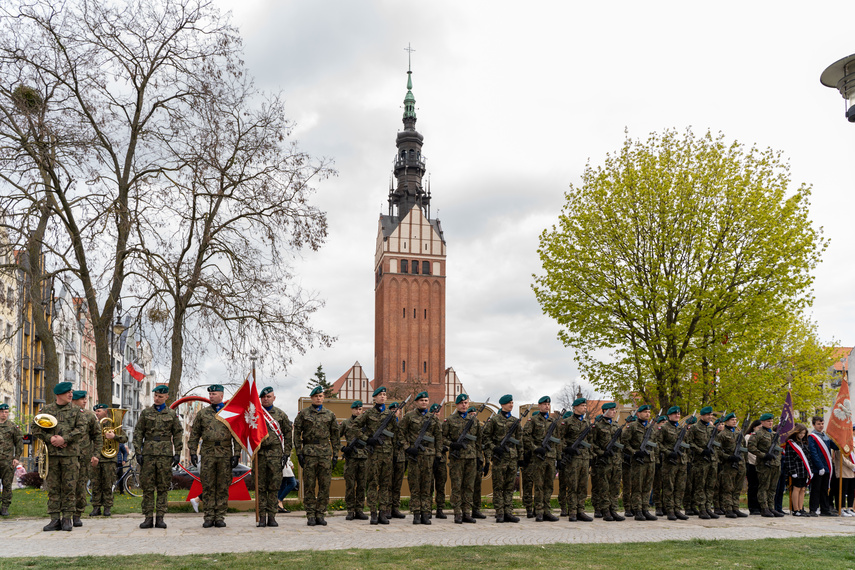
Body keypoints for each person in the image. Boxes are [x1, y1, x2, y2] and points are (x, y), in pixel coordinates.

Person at [32, 382, 86, 531]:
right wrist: (50, 439)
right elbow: (35, 429)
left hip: (70, 456)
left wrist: (64, 439)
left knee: (70, 487)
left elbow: (81, 430)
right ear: (58, 394)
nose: (71, 395)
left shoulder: (76, 411)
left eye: (71, 392)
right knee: (54, 487)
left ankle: (67, 518)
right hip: (51, 456)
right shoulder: (47, 410)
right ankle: (55, 519)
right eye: (67, 392)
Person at [188, 384, 239, 528]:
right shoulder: (203, 414)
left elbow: (236, 434)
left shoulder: (230, 413)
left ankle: (220, 516)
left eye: (214, 394)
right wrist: (193, 451)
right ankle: (209, 516)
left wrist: (236, 454)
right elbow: (194, 434)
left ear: (222, 395)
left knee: (222, 485)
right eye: (210, 394)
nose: (211, 396)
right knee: (208, 485)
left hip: (225, 452)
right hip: (208, 452)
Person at [134, 385, 183, 529]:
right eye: (155, 396)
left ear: (166, 397)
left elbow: (178, 433)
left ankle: (160, 517)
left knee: (162, 486)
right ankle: (148, 517)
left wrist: (178, 453)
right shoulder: (146, 413)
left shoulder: (172, 414)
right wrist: (138, 452)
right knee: (148, 487)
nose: (157, 398)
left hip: (165, 454)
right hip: (148, 454)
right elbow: (138, 433)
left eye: (160, 396)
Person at [293, 385, 339, 526]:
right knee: (309, 485)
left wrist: (336, 454)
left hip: (325, 453)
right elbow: (296, 434)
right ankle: (310, 515)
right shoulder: (303, 414)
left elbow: (335, 436)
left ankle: (321, 514)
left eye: (321, 396)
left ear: (323, 398)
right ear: (312, 398)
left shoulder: (330, 414)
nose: (319, 398)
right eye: (316, 396)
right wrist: (299, 453)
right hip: (309, 453)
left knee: (325, 485)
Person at [353, 386, 396, 525]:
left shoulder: (390, 415)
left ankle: (383, 512)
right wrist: (367, 439)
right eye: (380, 395)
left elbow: (397, 433)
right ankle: (373, 513)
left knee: (385, 484)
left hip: (387, 454)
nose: (383, 397)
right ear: (375, 398)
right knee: (372, 483)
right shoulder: (368, 413)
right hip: (373, 454)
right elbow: (355, 427)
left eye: (384, 394)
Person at [400, 391, 442, 525]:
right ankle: (416, 514)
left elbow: (438, 439)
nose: (424, 402)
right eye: (421, 400)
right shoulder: (409, 416)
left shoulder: (433, 418)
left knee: (427, 486)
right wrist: (407, 448)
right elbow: (400, 433)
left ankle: (425, 513)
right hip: (414, 456)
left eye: (426, 400)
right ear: (416, 402)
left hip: (429, 457)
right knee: (415, 486)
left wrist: (438, 456)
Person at [255, 386, 292, 528]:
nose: (266, 399)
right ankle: (262, 517)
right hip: (260, 454)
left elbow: (288, 434)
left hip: (276, 455)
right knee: (260, 487)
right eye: (263, 397)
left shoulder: (281, 415)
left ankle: (272, 516)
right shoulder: (256, 413)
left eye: (268, 396)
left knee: (274, 487)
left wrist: (286, 453)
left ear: (274, 398)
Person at [482, 394, 522, 523]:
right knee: (498, 487)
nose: (511, 404)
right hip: (500, 458)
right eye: (509, 403)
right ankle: (499, 513)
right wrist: (494, 448)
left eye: (512, 402)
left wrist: (520, 457)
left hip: (512, 458)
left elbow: (519, 440)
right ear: (502, 405)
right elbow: (486, 437)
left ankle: (508, 512)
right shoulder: (494, 420)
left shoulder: (515, 421)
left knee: (510, 487)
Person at [443, 393, 481, 524]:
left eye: (466, 403)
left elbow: (478, 441)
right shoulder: (450, 420)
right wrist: (452, 444)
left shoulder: (474, 421)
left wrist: (479, 457)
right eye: (461, 403)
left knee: (469, 486)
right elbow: (442, 438)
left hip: (471, 457)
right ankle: (457, 513)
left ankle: (466, 512)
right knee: (457, 486)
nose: (464, 405)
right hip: (457, 458)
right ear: (457, 405)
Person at [523, 396, 560, 522]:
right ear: (539, 406)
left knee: (549, 486)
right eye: (544, 404)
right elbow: (526, 437)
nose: (547, 406)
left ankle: (547, 511)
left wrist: (558, 457)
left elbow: (557, 441)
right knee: (539, 485)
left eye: (548, 404)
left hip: (550, 457)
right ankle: (538, 511)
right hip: (539, 458)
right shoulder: (533, 420)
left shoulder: (552, 421)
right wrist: (535, 448)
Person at [621, 404, 658, 521]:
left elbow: (656, 444)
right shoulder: (632, 426)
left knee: (647, 487)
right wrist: (634, 452)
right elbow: (624, 443)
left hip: (650, 461)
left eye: (649, 412)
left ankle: (645, 509)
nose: (647, 414)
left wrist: (654, 457)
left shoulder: (652, 428)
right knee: (637, 487)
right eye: (645, 412)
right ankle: (637, 510)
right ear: (638, 414)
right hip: (638, 461)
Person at [90, 404, 128, 517]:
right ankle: (96, 507)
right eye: (96, 411)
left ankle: (107, 507)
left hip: (109, 459)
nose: (97, 413)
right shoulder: (93, 425)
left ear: (106, 412)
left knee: (108, 484)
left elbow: (125, 438)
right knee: (95, 484)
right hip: (96, 458)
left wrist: (114, 437)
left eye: (99, 411)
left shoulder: (113, 425)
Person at [70, 391, 101, 527]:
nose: (84, 401)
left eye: (85, 399)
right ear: (74, 400)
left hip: (83, 457)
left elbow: (97, 437)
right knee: (66, 486)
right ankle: (64, 513)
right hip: (67, 455)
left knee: (80, 485)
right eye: (81, 399)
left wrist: (96, 455)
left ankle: (77, 514)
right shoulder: (66, 414)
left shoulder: (89, 416)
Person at [589, 402, 624, 522]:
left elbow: (620, 443)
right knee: (604, 487)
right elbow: (592, 444)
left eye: (614, 410)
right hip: (604, 461)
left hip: (616, 461)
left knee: (615, 487)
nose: (614, 412)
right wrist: (602, 452)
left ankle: (613, 509)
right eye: (611, 410)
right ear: (604, 411)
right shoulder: (597, 426)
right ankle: (605, 510)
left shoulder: (615, 425)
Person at [560, 397, 593, 522]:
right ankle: (572, 511)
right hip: (572, 459)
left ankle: (581, 510)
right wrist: (567, 449)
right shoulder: (567, 422)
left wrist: (590, 456)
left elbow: (590, 441)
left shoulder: (587, 423)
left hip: (584, 458)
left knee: (583, 486)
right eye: (582, 406)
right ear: (575, 407)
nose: (585, 408)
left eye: (585, 406)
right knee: (573, 486)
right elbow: (560, 439)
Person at [747, 412, 783, 518]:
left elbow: (778, 450)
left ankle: (771, 508)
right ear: (762, 422)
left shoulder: (774, 434)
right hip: (764, 464)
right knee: (764, 487)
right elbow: (751, 447)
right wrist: (763, 455)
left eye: (771, 421)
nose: (770, 423)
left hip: (775, 464)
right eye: (768, 421)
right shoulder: (758, 434)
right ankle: (764, 508)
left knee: (773, 487)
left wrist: (777, 460)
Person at [686, 406, 719, 519]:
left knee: (710, 486)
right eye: (708, 415)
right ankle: (702, 509)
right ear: (702, 416)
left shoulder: (711, 428)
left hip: (712, 461)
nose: (710, 417)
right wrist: (701, 451)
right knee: (700, 486)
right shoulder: (694, 428)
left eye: (711, 415)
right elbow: (689, 443)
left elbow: (717, 443)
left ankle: (708, 507)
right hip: (700, 462)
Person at [658, 406, 689, 521]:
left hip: (681, 461)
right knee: (669, 487)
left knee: (680, 487)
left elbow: (687, 443)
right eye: (675, 414)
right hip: (670, 462)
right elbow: (658, 444)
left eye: (679, 414)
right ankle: (669, 510)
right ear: (669, 415)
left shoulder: (681, 429)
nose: (677, 415)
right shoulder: (664, 428)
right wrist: (668, 452)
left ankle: (677, 509)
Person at [340, 399, 368, 520]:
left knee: (362, 485)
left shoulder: (367, 425)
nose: (358, 411)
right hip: (351, 458)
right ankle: (350, 510)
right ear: (352, 409)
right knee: (350, 485)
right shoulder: (346, 423)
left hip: (364, 457)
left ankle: (360, 510)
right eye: (356, 409)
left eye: (360, 409)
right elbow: (335, 437)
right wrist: (342, 448)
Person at [716, 412, 747, 518]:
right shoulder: (722, 435)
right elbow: (717, 451)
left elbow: (744, 448)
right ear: (727, 422)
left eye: (735, 419)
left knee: (737, 488)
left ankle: (735, 508)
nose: (734, 421)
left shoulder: (739, 434)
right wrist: (728, 457)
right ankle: (728, 509)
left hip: (740, 464)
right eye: (732, 420)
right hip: (728, 465)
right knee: (728, 488)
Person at [807, 415, 838, 516]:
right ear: (814, 425)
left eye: (822, 424)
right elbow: (813, 453)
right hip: (818, 468)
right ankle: (813, 509)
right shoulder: (812, 437)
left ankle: (825, 509)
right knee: (816, 489)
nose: (821, 426)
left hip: (827, 467)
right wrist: (820, 466)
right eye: (818, 424)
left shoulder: (826, 436)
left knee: (825, 489)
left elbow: (835, 446)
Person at [781, 423, 810, 516]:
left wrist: (810, 470)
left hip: (804, 469)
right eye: (800, 433)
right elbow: (789, 458)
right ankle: (795, 509)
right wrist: (792, 471)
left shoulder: (804, 443)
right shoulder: (791, 443)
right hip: (796, 469)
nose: (802, 435)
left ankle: (801, 508)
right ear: (796, 432)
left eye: (804, 433)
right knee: (796, 488)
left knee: (803, 489)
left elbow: (808, 458)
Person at [0, 403, 23, 517]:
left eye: (6, 412)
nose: (3, 414)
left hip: (7, 461)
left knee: (7, 485)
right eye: (1, 412)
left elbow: (19, 443)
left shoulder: (12, 426)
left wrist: (16, 458)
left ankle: (5, 507)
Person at [429, 403, 448, 519]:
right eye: (434, 412)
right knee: (429, 485)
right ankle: (428, 508)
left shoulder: (443, 425)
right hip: (430, 458)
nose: (436, 414)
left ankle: (440, 508)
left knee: (441, 485)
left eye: (438, 412)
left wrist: (446, 447)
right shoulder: (427, 425)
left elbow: (448, 439)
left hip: (441, 459)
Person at [469, 405, 488, 519]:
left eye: (474, 414)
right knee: (467, 486)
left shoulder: (479, 428)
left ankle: (476, 509)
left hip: (478, 459)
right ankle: (465, 509)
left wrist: (486, 462)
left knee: (477, 486)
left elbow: (482, 445)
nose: (473, 415)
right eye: (471, 414)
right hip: (467, 458)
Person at [389, 403, 407, 519]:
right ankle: (386, 508)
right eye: (393, 410)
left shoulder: (402, 424)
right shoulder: (387, 425)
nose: (396, 412)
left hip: (400, 457)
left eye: (397, 410)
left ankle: (395, 508)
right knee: (387, 484)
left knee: (397, 484)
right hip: (389, 457)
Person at [832, 426, 854, 516]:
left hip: (852, 472)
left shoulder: (851, 443)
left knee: (851, 491)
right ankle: (841, 508)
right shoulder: (839, 444)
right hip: (844, 471)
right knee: (842, 491)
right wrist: (853, 466)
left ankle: (849, 508)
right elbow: (843, 460)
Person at [744, 419, 762, 514]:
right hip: (752, 463)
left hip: (761, 465)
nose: (760, 429)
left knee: (760, 486)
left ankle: (760, 506)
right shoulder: (748, 437)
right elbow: (750, 451)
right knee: (753, 486)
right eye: (759, 427)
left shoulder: (761, 436)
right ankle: (753, 507)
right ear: (754, 427)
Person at [621, 413, 637, 517]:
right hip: (626, 462)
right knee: (627, 486)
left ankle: (635, 506)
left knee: (636, 486)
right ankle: (627, 507)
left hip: (636, 462)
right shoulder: (622, 433)